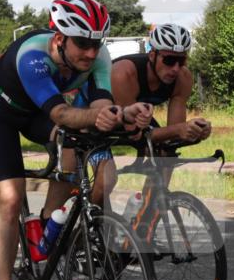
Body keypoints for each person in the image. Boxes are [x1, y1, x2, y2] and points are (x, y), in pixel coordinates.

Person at [0, 0, 153, 280]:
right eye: (82, 44)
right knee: (10, 200)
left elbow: (101, 105)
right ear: (60, 39)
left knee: (77, 141)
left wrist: (124, 114)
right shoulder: (33, 56)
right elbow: (61, 114)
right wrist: (100, 117)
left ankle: (46, 229)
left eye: (95, 44)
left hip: (38, 112)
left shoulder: (98, 57)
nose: (90, 53)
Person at [86, 23, 212, 205]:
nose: (176, 68)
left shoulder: (182, 78)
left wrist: (195, 132)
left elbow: (172, 135)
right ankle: (90, 225)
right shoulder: (124, 73)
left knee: (166, 155)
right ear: (152, 56)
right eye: (169, 60)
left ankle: (142, 223)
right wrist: (179, 130)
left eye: (181, 61)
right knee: (106, 181)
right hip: (97, 118)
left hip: (130, 116)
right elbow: (135, 134)